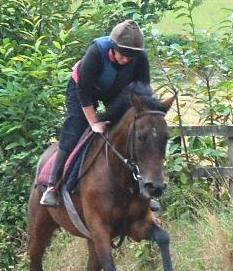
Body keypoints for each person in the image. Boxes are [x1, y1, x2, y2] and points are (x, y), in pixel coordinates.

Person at [40, 19, 152, 208]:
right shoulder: (96, 51)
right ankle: (52, 186)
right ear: (113, 47)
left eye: (130, 57)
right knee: (74, 129)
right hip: (82, 89)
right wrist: (93, 123)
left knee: (128, 128)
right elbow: (83, 92)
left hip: (116, 91)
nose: (126, 60)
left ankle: (143, 187)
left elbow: (143, 91)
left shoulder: (140, 58)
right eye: (123, 55)